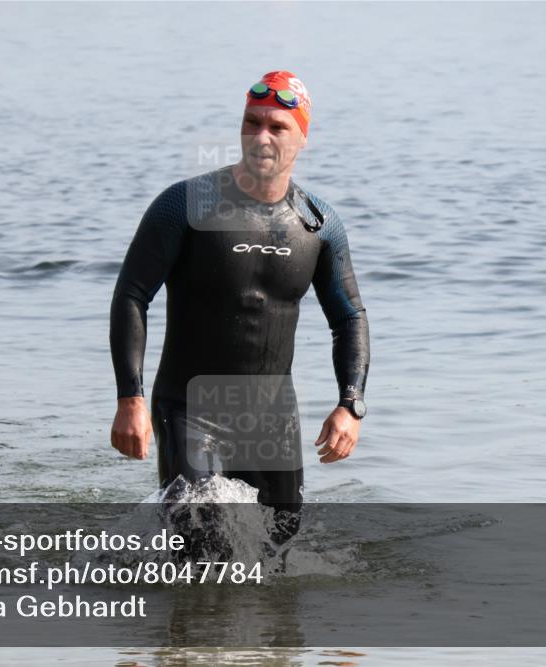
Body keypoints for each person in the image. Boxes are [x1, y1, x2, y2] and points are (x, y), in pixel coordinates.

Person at [109, 71, 370, 545]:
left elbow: (349, 318)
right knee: (201, 541)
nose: (262, 136)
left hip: (271, 418)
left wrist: (350, 405)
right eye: (252, 122)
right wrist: (132, 399)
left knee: (279, 550)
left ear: (303, 138)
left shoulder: (318, 225)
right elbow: (132, 294)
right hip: (189, 408)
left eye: (278, 126)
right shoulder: (184, 206)